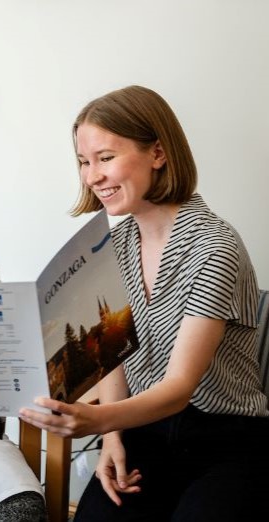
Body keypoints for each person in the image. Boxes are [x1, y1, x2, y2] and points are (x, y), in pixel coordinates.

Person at [19, 85, 269, 521]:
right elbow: (113, 352)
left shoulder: (215, 248)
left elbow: (178, 389)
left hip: (224, 440)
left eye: (106, 157)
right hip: (143, 431)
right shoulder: (114, 245)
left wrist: (94, 421)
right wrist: (112, 437)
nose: (92, 176)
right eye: (83, 161)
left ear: (157, 153)